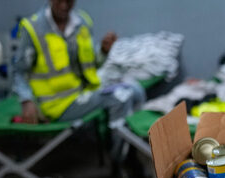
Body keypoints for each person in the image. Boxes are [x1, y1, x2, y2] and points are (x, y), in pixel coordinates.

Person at [12, 0, 144, 126]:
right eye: (59, 1)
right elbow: (18, 72)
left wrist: (103, 51)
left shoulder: (82, 23)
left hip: (83, 94)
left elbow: (91, 65)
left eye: (69, 1)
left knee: (135, 89)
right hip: (56, 105)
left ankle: (132, 134)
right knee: (121, 96)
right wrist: (26, 100)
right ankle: (118, 141)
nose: (64, 6)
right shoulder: (34, 29)